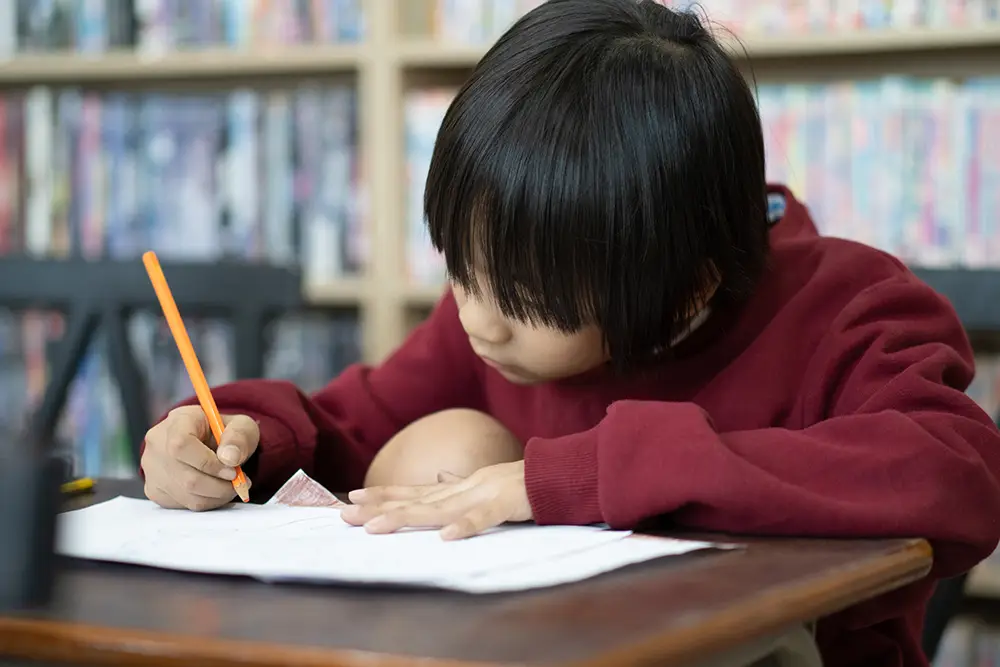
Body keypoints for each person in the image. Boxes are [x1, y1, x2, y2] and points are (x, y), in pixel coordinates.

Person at [138, 0, 1000, 664]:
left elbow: (956, 471)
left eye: (516, 292)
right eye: (458, 266)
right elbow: (350, 427)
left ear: (682, 287)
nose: (475, 316)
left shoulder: (846, 309)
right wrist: (233, 441)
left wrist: (571, 477)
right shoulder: (487, 324)